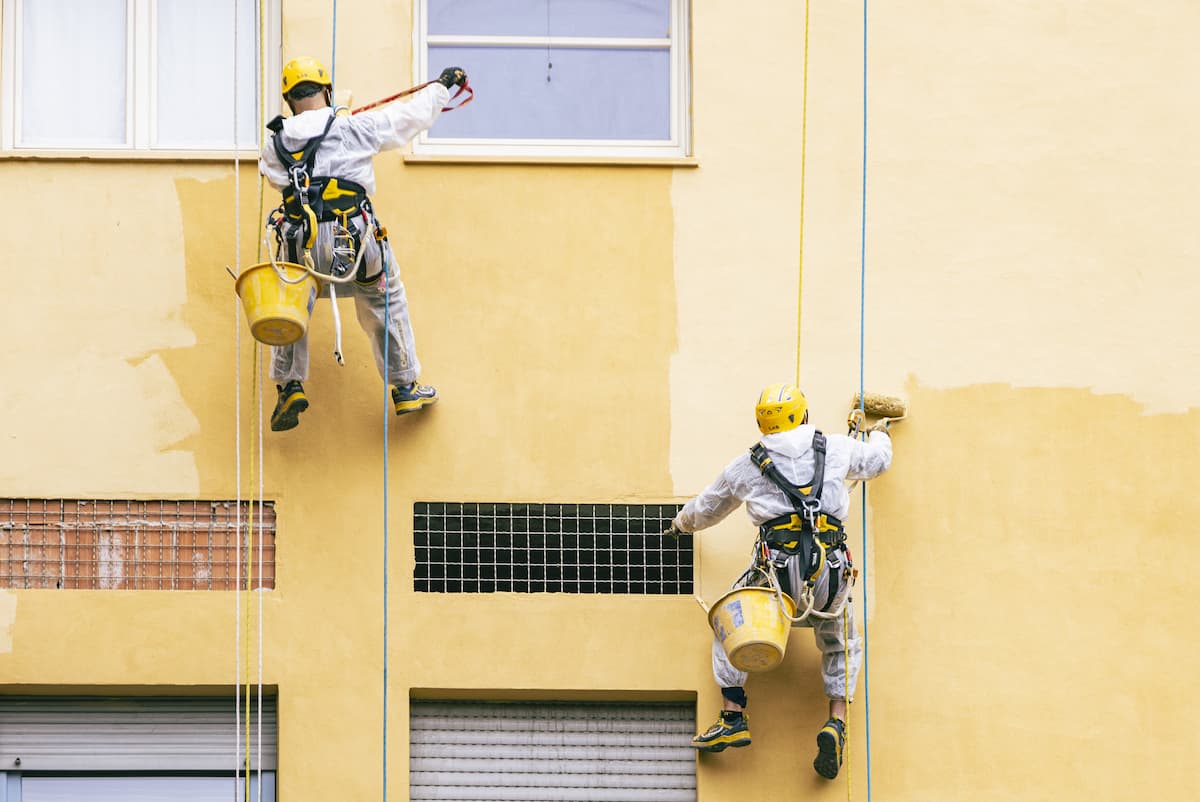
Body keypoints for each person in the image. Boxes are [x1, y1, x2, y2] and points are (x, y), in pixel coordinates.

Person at [664, 383, 893, 780]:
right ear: (803, 414)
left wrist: (678, 526)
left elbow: (707, 507)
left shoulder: (748, 465)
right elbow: (878, 462)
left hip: (778, 571)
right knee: (841, 640)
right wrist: (880, 432)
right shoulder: (837, 448)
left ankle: (733, 715)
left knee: (730, 623)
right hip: (830, 569)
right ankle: (835, 721)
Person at [260, 56, 468, 431]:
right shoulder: (354, 127)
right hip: (354, 238)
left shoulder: (276, 142)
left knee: (287, 304)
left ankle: (289, 384)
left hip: (300, 243)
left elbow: (276, 179)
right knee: (385, 298)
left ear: (289, 101)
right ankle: (405, 386)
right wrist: (441, 86)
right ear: (325, 90)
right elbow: (408, 119)